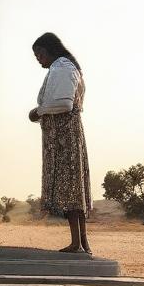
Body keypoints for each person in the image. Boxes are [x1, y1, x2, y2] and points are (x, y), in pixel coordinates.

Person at [28, 32, 93, 254]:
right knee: (74, 189)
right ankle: (82, 242)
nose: (38, 59)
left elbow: (64, 103)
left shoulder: (62, 67)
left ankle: (78, 243)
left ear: (50, 50)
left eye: (40, 54)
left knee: (71, 190)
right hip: (64, 136)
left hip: (65, 137)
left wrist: (39, 111)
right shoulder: (65, 67)